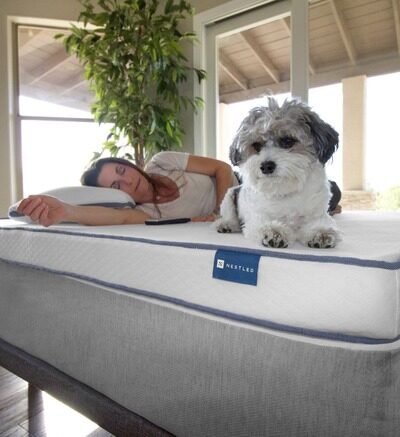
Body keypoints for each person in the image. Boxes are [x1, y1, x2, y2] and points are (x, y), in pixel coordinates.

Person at [17, 151, 238, 227]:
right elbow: (118, 218)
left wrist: (220, 214)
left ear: (128, 165)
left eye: (122, 172)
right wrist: (67, 211)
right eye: (116, 185)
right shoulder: (145, 214)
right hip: (241, 216)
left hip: (240, 185)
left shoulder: (163, 162)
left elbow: (222, 168)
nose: (129, 182)